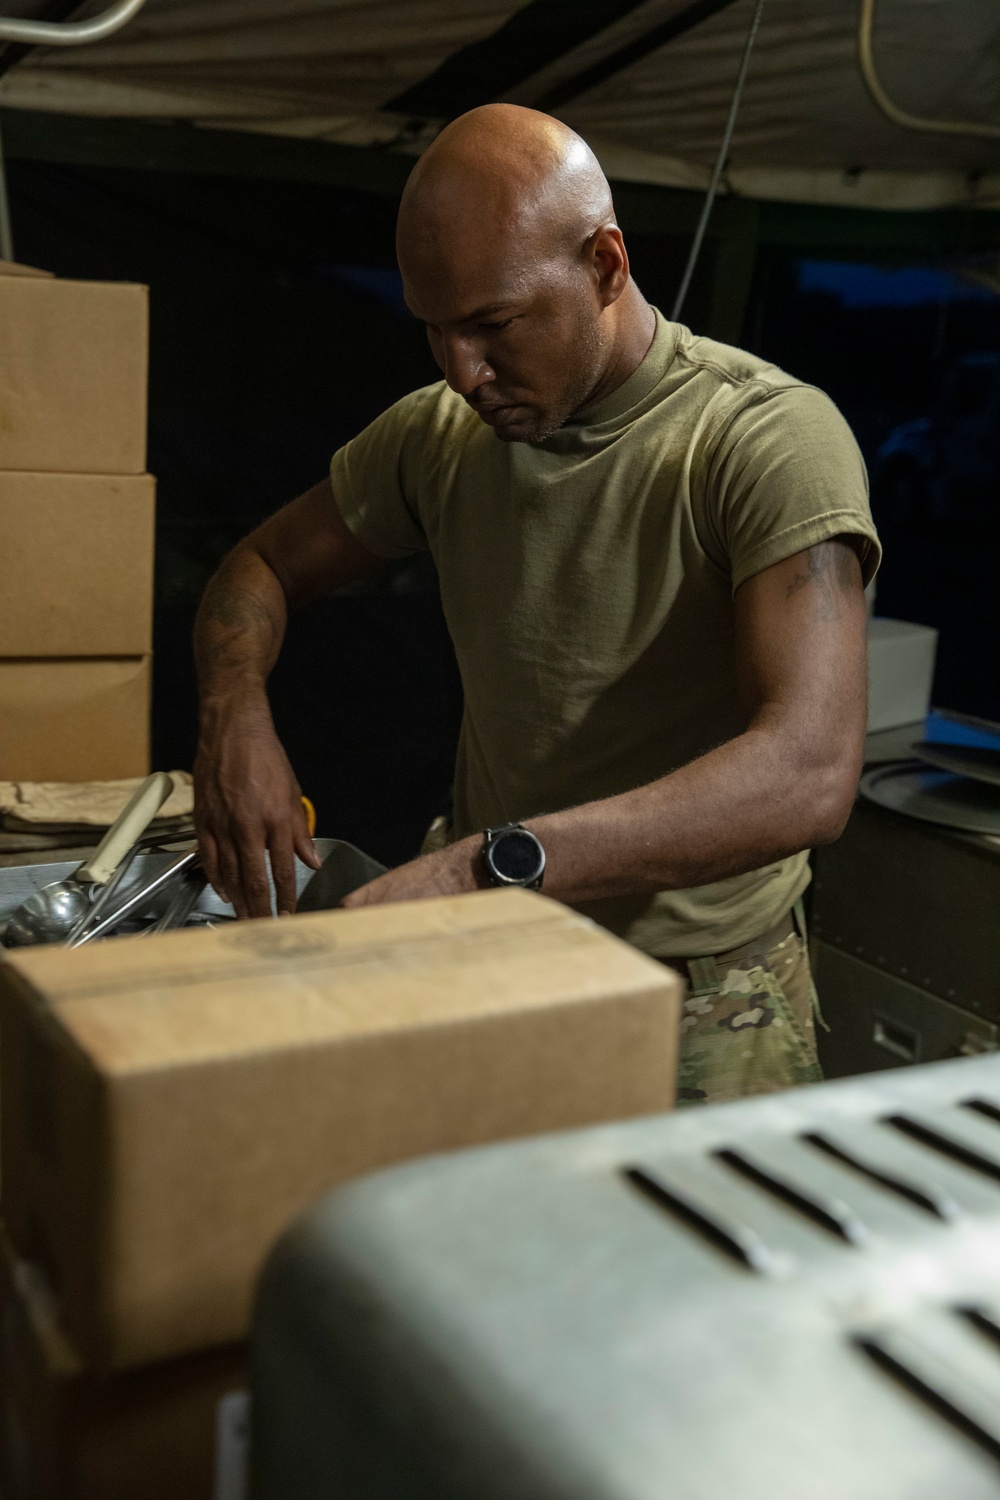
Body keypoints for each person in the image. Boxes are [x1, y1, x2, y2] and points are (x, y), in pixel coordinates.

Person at [193, 104, 880, 1105]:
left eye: (491, 324)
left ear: (605, 265)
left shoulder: (762, 441)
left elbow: (806, 773)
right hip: (498, 941)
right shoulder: (436, 438)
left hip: (693, 990)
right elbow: (255, 568)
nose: (461, 372)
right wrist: (234, 719)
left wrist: (487, 865)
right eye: (433, 330)